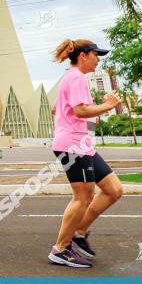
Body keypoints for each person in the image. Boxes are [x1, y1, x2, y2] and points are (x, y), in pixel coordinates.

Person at [48, 40, 123, 268]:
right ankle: (60, 249)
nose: (98, 59)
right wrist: (109, 105)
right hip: (72, 146)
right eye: (95, 55)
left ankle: (78, 234)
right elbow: (80, 110)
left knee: (114, 190)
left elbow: (57, 107)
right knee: (82, 198)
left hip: (83, 143)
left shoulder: (71, 77)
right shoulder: (77, 77)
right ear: (83, 56)